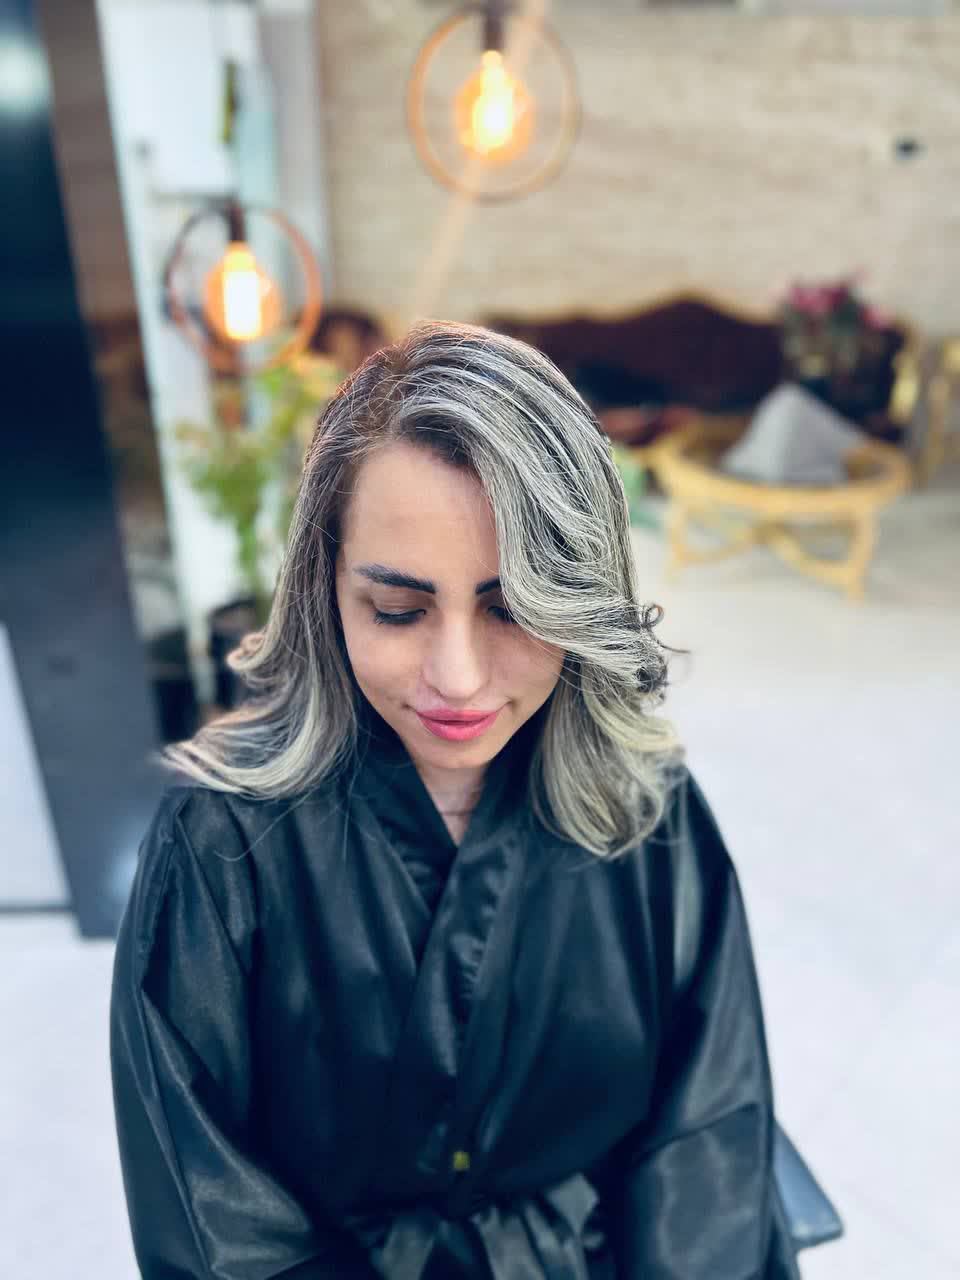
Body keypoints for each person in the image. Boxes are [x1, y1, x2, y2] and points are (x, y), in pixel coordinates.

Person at [110, 320, 800, 1279]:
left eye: (514, 608)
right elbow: (210, 1219)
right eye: (398, 610)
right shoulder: (218, 842)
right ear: (325, 589)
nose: (460, 678)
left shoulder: (647, 812)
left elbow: (708, 1143)